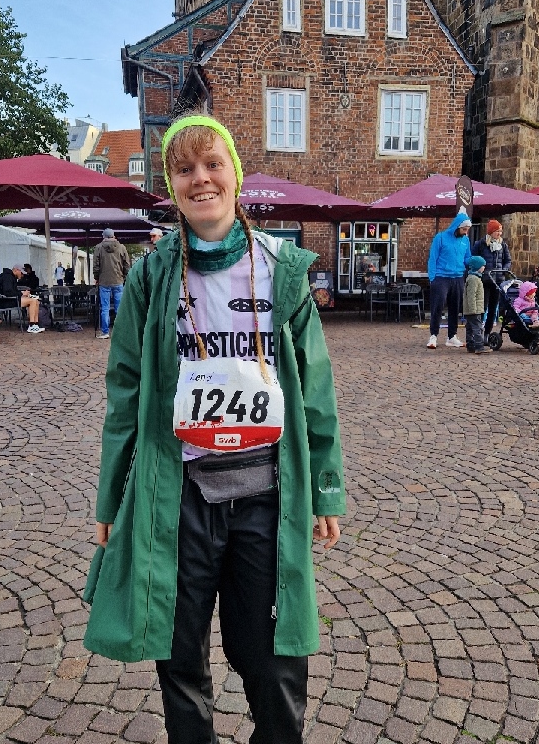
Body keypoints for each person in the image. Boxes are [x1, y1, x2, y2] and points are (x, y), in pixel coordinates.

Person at [83, 114, 346, 744]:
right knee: (180, 659)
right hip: (179, 496)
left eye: (212, 164)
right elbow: (125, 393)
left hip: (266, 496)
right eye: (184, 169)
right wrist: (110, 500)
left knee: (273, 660)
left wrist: (326, 491)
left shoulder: (282, 269)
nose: (200, 179)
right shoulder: (150, 275)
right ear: (171, 185)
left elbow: (316, 391)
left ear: (235, 173)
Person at [426, 212, 472, 349]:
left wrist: (476, 262)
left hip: (458, 277)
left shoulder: (465, 240)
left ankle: (452, 336)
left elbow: (467, 258)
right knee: (437, 306)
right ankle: (433, 335)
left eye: (467, 230)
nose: (465, 232)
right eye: (464, 229)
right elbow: (433, 258)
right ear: (457, 227)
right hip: (441, 277)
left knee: (455, 307)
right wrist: (432, 277)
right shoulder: (440, 238)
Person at [471, 219, 512, 343]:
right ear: (491, 232)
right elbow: (473, 259)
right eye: (497, 231)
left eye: (500, 231)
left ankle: (487, 333)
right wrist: (481, 270)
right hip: (485, 280)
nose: (499, 233)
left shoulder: (502, 245)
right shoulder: (481, 244)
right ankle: (478, 332)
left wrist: (504, 270)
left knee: (493, 309)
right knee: (482, 307)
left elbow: (508, 260)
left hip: (498, 280)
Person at [93, 228, 130, 339]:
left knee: (105, 308)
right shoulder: (122, 247)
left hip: (104, 281)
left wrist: (97, 277)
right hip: (118, 280)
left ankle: (105, 332)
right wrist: (124, 276)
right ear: (114, 236)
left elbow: (96, 265)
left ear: (103, 236)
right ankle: (120, 332)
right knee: (119, 308)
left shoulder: (98, 247)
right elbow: (127, 264)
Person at [0, 264, 45, 333]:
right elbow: (8, 292)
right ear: (16, 270)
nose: (22, 275)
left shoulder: (10, 277)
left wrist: (22, 293)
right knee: (32, 301)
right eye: (21, 273)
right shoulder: (8, 277)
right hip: (6, 301)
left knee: (36, 301)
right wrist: (22, 293)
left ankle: (35, 325)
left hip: (10, 299)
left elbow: (11, 291)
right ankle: (31, 325)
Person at [463, 255, 492, 354]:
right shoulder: (474, 279)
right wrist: (473, 309)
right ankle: (479, 346)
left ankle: (470, 345)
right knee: (477, 328)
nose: (484, 267)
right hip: (474, 310)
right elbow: (471, 296)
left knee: (470, 328)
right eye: (482, 266)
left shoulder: (473, 278)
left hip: (472, 309)